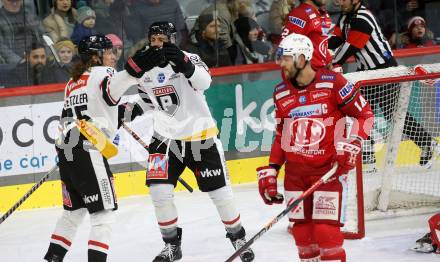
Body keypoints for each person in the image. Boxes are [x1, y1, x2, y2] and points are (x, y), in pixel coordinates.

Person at [127, 21, 255, 262]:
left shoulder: (190, 58)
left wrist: (183, 63)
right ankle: (171, 245)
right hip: (164, 139)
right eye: (154, 39)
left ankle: (238, 237)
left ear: (173, 39)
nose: (158, 44)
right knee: (159, 192)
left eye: (163, 39)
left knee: (220, 193)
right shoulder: (146, 68)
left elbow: (204, 82)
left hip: (201, 137)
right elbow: (147, 99)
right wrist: (128, 110)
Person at [257, 33, 374, 262]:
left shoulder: (333, 83)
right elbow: (282, 134)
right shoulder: (280, 92)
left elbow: (365, 115)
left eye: (286, 58)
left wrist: (354, 142)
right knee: (302, 234)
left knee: (325, 232)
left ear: (302, 58)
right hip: (295, 175)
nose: (281, 63)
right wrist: (272, 169)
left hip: (328, 172)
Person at [42, 34, 145, 262]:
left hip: (67, 148)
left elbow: (97, 111)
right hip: (87, 147)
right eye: (109, 52)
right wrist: (136, 70)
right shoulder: (104, 73)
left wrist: (134, 109)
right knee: (104, 215)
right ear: (96, 56)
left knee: (73, 213)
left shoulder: (73, 82)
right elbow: (110, 96)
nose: (113, 57)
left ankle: (52, 259)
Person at [329, 0, 437, 169]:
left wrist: (326, 62)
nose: (338, 2)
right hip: (365, 73)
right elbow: (333, 40)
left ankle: (426, 142)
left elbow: (348, 49)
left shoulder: (362, 19)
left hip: (384, 71)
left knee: (393, 115)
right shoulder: (345, 18)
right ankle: (367, 156)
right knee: (357, 113)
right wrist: (320, 52)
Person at [279, 0, 332, 70]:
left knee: (343, 80)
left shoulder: (323, 14)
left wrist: (329, 62)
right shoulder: (300, 14)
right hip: (308, 76)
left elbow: (320, 45)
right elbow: (285, 49)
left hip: (322, 71)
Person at [0, 0, 45, 64]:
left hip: (38, 57)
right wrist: (20, 61)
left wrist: (46, 55)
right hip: (15, 63)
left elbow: (44, 35)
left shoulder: (29, 14)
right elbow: (1, 47)